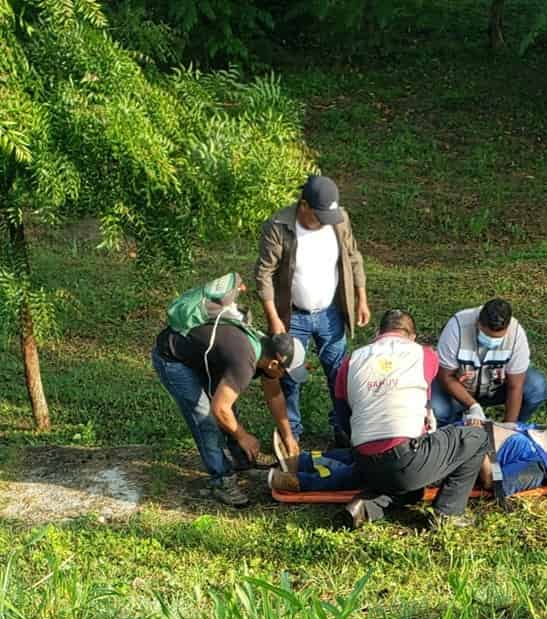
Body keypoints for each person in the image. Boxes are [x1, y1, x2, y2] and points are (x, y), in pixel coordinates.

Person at [152, 276, 305, 508]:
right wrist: (244, 436)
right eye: (286, 372)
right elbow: (219, 409)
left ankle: (243, 459)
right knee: (205, 418)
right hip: (173, 360)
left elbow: (275, 396)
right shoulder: (245, 361)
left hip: (201, 357)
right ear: (275, 364)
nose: (285, 378)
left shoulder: (266, 348)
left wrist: (289, 437)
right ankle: (221, 480)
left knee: (228, 406)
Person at [329, 308, 489, 529]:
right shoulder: (424, 354)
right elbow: (426, 406)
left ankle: (366, 507)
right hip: (404, 458)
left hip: (365, 463)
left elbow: (341, 415)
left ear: (378, 333)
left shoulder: (350, 361)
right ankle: (448, 513)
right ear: (412, 336)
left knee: (412, 488)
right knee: (478, 437)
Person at [254, 174, 370, 441]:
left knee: (339, 373)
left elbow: (353, 256)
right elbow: (264, 274)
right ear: (303, 205)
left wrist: (361, 297)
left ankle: (344, 429)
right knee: (290, 375)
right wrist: (273, 318)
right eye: (318, 216)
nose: (323, 223)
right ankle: (292, 432)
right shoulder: (278, 225)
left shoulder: (338, 219)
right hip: (293, 316)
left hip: (331, 313)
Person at [268, 422, 547, 501]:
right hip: (449, 441)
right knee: (370, 453)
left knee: (368, 471)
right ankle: (303, 460)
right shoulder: (529, 434)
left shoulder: (538, 466)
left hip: (451, 462)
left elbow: (495, 482)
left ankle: (301, 482)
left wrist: (478, 444)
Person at [430, 298, 547, 427]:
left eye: (497, 338)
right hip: (460, 389)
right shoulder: (457, 327)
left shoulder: (516, 335)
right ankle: (453, 431)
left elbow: (516, 386)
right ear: (477, 323)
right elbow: (445, 376)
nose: (491, 341)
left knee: (536, 385)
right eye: (487, 335)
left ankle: (517, 429)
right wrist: (473, 405)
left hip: (495, 389)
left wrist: (509, 427)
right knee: (438, 409)